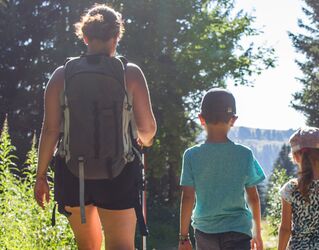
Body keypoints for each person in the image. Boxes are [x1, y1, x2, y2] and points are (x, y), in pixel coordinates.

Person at [34, 4, 156, 249]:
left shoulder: (62, 75)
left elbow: (50, 131)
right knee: (120, 245)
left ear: (85, 37)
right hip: (119, 171)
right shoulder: (129, 74)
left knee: (86, 246)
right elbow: (148, 128)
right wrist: (146, 140)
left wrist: (40, 176)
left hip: (72, 173)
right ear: (116, 36)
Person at [178, 88, 266, 250]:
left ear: (201, 119)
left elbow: (188, 197)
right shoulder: (244, 154)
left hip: (205, 230)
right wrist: (257, 233)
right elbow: (253, 197)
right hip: (238, 229)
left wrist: (184, 237)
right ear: (233, 120)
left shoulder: (191, 155)